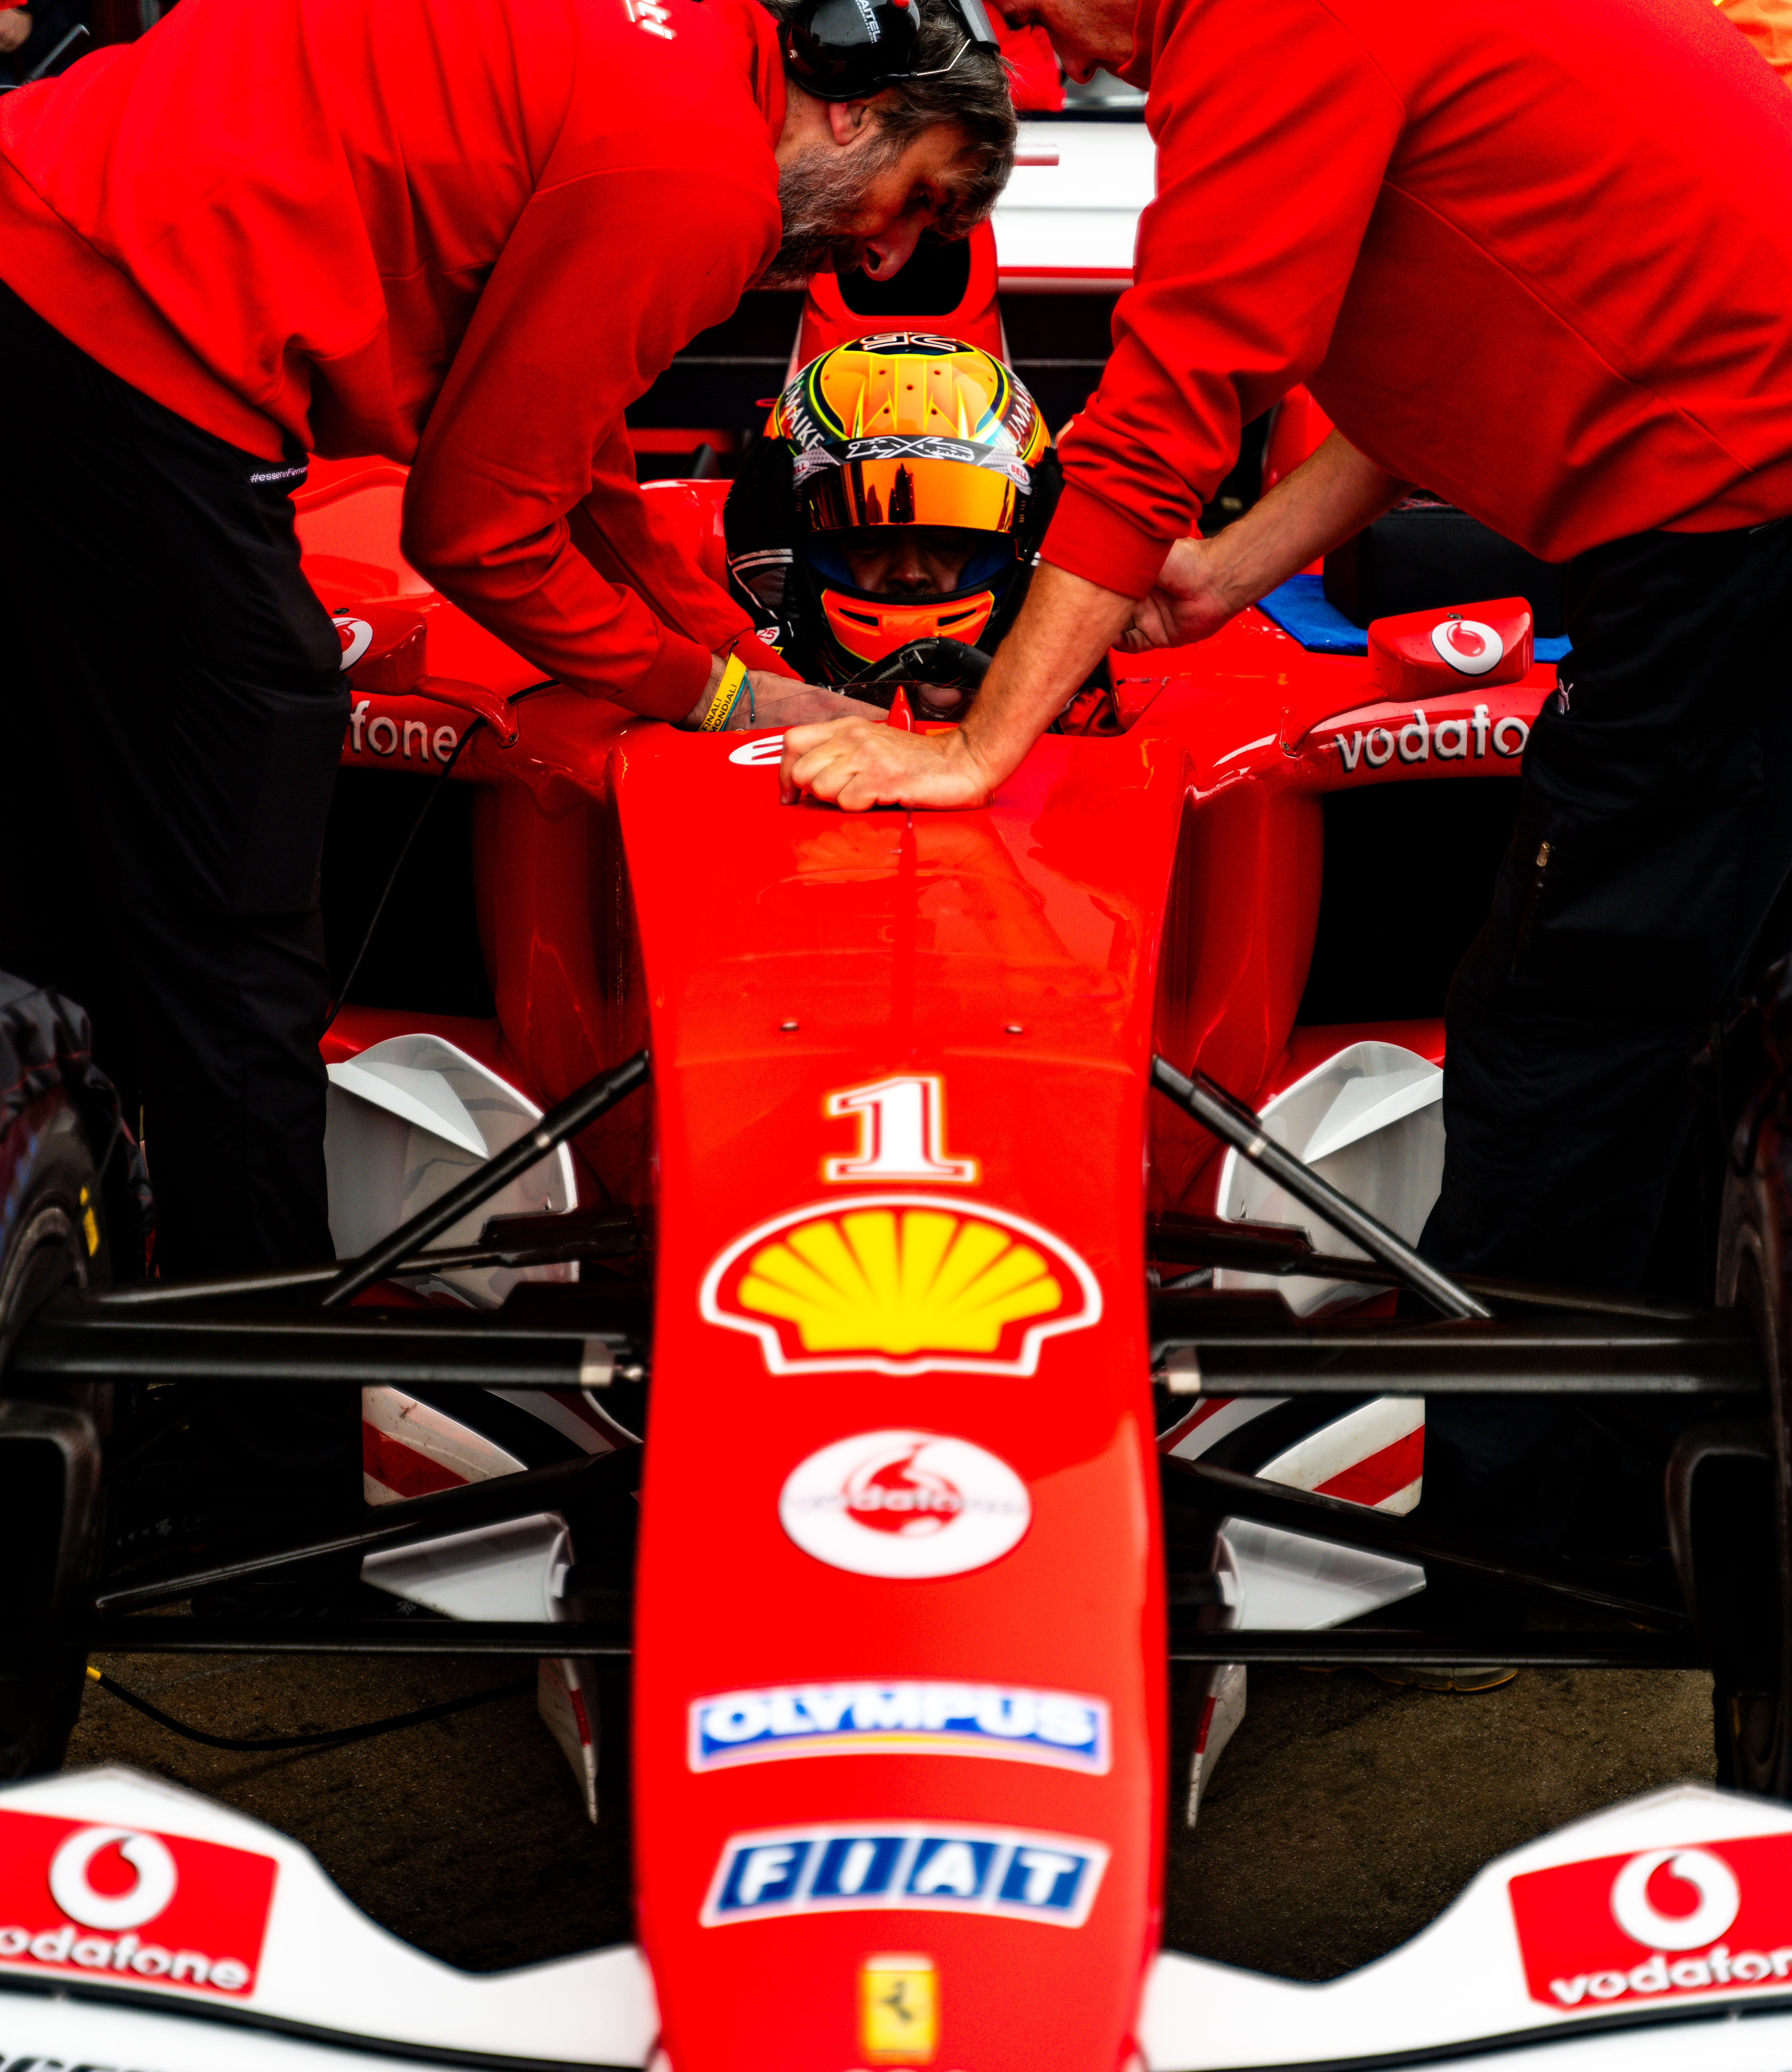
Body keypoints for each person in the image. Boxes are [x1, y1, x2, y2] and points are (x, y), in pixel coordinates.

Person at [783, 0, 1792, 1613]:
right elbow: (1434, 339)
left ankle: (1522, 1560)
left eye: (1042, 9)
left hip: (1732, 521)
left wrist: (977, 746)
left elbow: (1165, 403)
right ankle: (1661, 1499)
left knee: (1564, 1026)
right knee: (1684, 1015)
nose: (1057, 41)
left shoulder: (1274, 26)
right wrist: (1232, 571)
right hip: (1728, 504)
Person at [0, 0, 1013, 1526]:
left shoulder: (679, 69)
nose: (883, 254)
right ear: (856, 107)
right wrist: (710, 691)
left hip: (46, 246)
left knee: (63, 863)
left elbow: (572, 453)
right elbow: (476, 524)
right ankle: (263, 1499)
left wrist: (737, 662)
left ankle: (77, 1277)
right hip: (125, 328)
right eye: (915, 200)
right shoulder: (702, 179)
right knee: (238, 933)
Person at [725, 332, 1057, 718]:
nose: (910, 574)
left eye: (948, 542)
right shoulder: (707, 655)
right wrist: (775, 664)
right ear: (784, 531)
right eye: (870, 540)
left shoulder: (1100, 690)